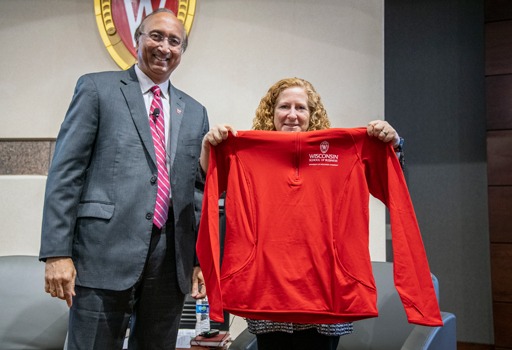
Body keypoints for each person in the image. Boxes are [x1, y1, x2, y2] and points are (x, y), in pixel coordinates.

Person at [40, 8, 208, 350]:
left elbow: (197, 192)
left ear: (182, 51)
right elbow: (66, 173)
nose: (164, 47)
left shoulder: (194, 111)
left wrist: (198, 260)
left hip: (169, 262)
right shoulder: (96, 89)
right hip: (102, 254)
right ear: (137, 40)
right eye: (156, 36)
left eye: (174, 41)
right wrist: (57, 253)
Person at [200, 77, 403, 350]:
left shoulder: (343, 151)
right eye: (284, 106)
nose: (292, 115)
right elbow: (209, 181)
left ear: (312, 114)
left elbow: (392, 185)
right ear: (271, 113)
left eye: (301, 108)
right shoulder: (244, 151)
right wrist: (208, 149)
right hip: (267, 292)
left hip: (326, 292)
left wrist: (393, 144)